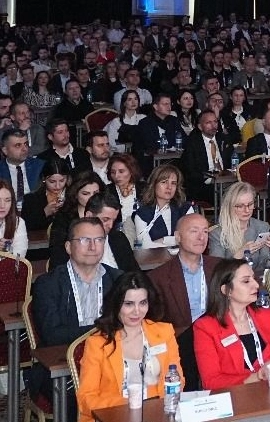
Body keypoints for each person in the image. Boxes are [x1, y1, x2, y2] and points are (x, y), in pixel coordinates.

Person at [75, 273, 179, 422]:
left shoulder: (164, 333)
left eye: (143, 303)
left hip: (158, 414)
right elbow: (86, 398)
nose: (137, 311)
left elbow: (177, 380)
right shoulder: (97, 343)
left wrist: (157, 408)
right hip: (113, 416)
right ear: (116, 304)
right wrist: (129, 406)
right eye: (129, 304)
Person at [193, 259, 270, 388]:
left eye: (254, 278)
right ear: (226, 290)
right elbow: (211, 382)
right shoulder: (206, 327)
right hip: (233, 396)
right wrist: (257, 376)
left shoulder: (268, 317)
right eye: (246, 281)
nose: (256, 285)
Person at [147, 213, 217, 388]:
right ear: (178, 237)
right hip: (180, 343)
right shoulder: (158, 277)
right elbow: (155, 323)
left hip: (217, 339)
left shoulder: (219, 268)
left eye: (205, 231)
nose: (201, 237)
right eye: (194, 231)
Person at [33, 216, 120, 350]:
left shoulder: (118, 279)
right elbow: (52, 335)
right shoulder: (48, 284)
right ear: (68, 247)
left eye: (99, 240)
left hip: (110, 352)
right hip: (65, 356)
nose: (92, 247)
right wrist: (103, 329)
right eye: (85, 240)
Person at [209, 181, 270, 278]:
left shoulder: (262, 226)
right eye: (240, 206)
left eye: (250, 204)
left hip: (259, 279)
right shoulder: (217, 234)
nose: (247, 210)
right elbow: (217, 271)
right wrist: (238, 255)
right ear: (229, 206)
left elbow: (267, 264)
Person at [47, 172, 106, 263]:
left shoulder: (107, 214)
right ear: (75, 195)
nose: (92, 198)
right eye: (86, 194)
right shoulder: (64, 217)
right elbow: (57, 252)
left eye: (96, 193)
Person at [133, 164, 189, 250]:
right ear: (154, 184)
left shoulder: (185, 208)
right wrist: (174, 240)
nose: (169, 187)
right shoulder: (142, 214)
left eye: (173, 183)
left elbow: (191, 241)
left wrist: (163, 240)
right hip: (153, 258)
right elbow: (145, 246)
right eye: (164, 182)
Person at [181, 110, 231, 205]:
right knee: (225, 193)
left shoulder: (224, 140)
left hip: (225, 180)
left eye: (215, 122)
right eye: (208, 123)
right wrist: (210, 177)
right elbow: (190, 172)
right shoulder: (193, 143)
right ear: (200, 127)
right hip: (204, 184)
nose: (213, 126)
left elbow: (232, 162)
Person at [0, 181, 28, 255]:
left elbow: (20, 256)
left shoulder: (18, 222)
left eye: (7, 200)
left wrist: (8, 249)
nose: (2, 205)